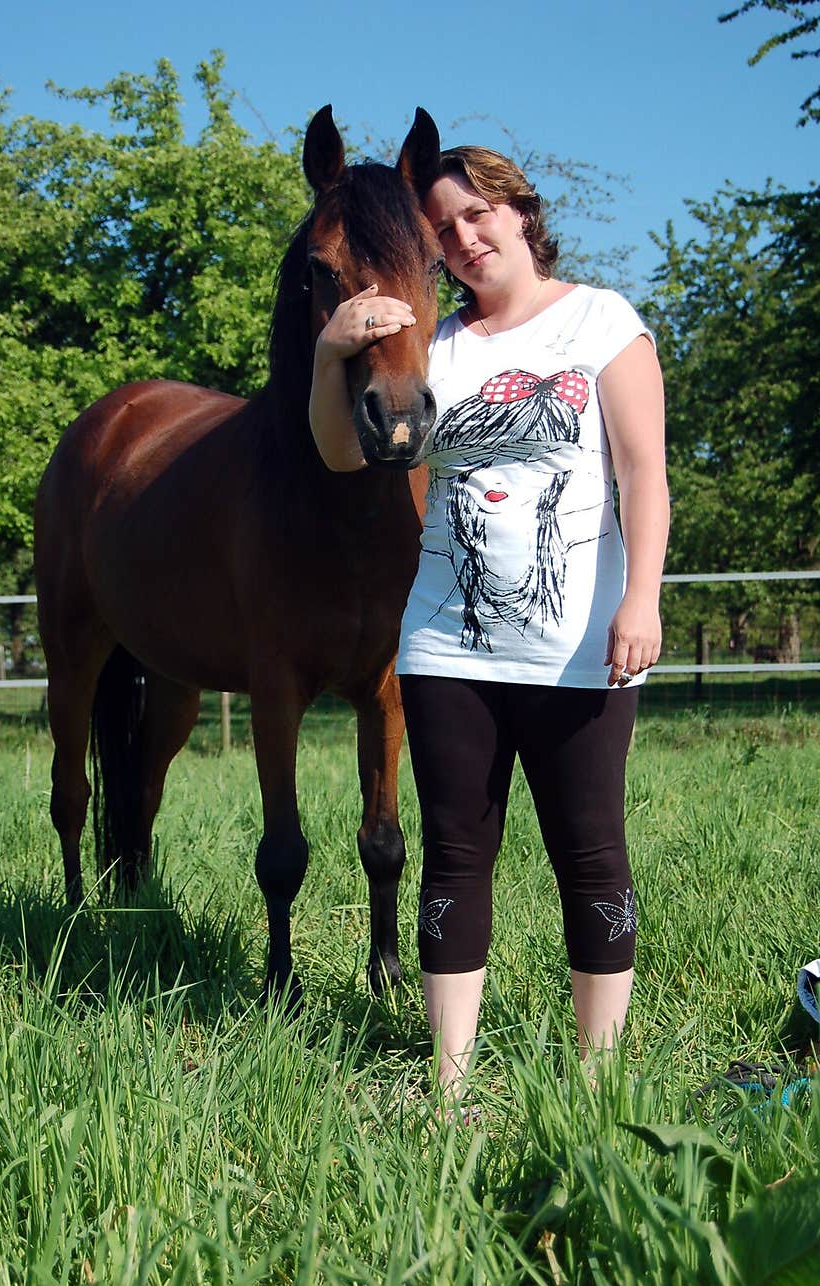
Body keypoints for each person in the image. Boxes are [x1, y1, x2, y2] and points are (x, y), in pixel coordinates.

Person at [309, 143, 669, 1111]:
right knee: (454, 854)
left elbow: (642, 472)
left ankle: (598, 1081)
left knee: (591, 850)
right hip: (444, 648)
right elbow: (343, 454)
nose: (464, 239)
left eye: (479, 216)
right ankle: (449, 1081)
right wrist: (329, 349)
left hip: (580, 645)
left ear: (519, 213)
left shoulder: (602, 320)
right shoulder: (440, 343)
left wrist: (641, 598)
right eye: (444, 231)